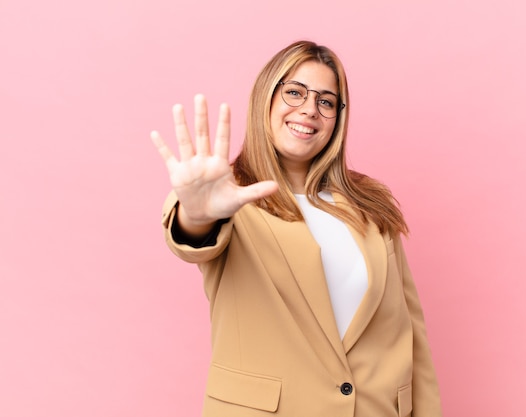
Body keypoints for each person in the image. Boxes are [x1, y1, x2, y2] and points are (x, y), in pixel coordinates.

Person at [151, 40, 442, 417]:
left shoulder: (369, 202)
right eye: (294, 92)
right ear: (266, 99)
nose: (309, 110)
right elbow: (192, 238)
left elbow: (409, 330)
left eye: (326, 101)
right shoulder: (229, 197)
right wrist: (198, 213)